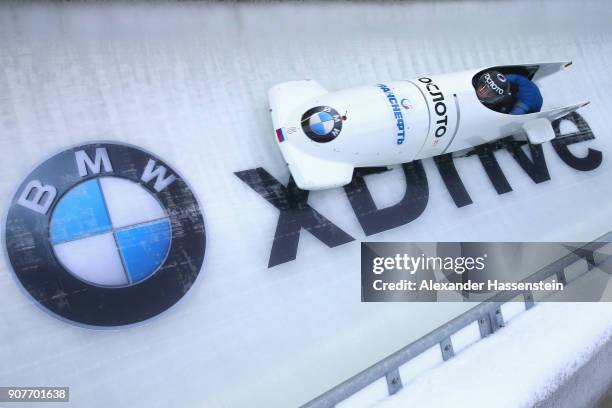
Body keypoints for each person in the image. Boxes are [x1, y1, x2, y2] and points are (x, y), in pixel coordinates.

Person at [475, 70, 543, 115]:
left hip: (533, 106)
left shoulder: (525, 102)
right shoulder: (519, 80)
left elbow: (513, 116)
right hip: (527, 89)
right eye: (483, 87)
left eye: (489, 93)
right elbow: (501, 78)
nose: (482, 91)